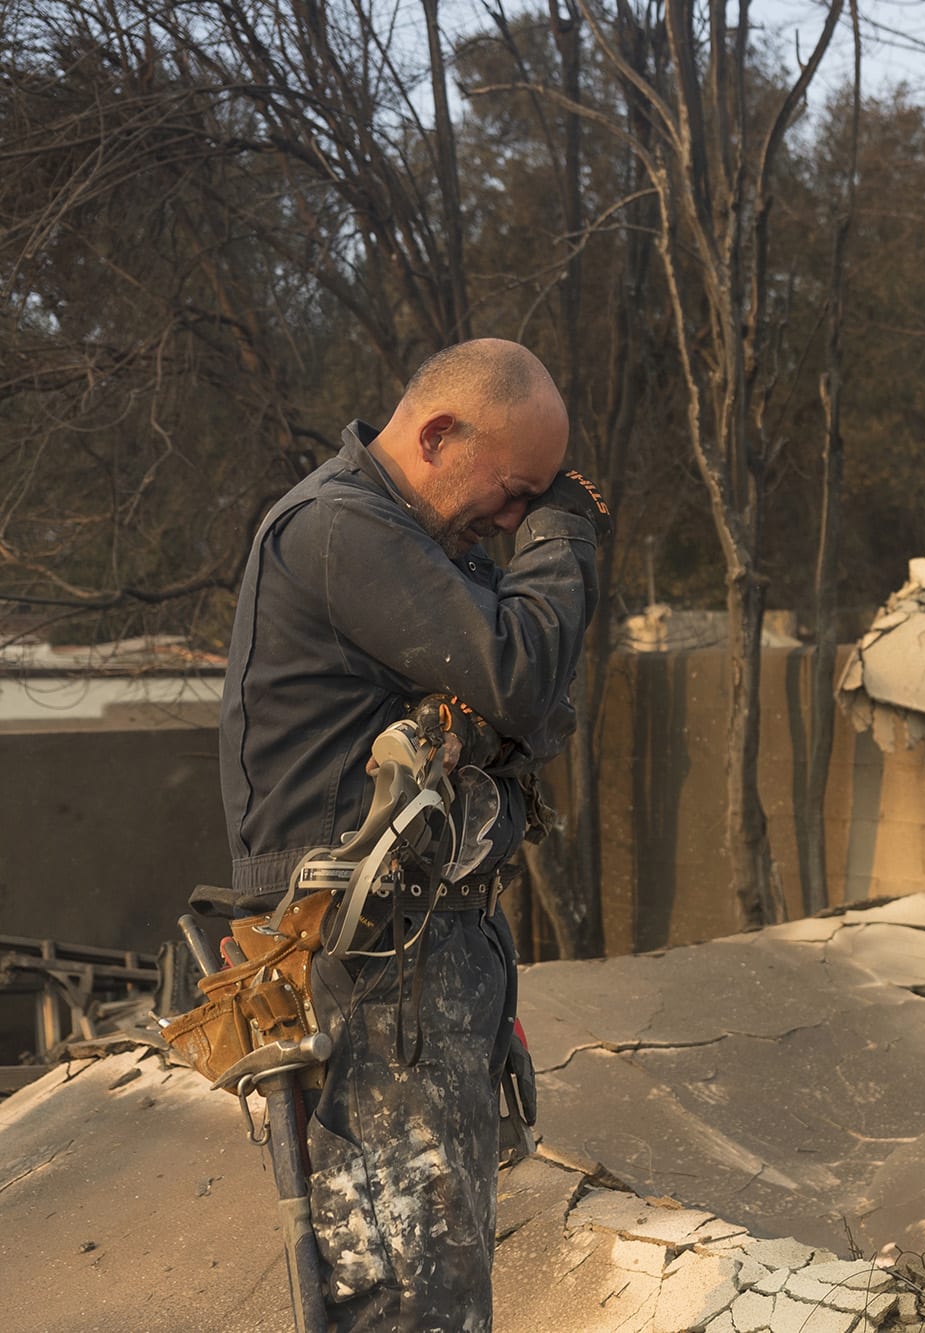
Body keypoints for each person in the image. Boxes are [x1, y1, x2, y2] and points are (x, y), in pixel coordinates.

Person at [217, 338, 608, 1330]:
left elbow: (541, 708)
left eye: (532, 505)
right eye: (515, 493)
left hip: (420, 956)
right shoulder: (343, 529)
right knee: (409, 1303)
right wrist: (562, 538)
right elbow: (521, 677)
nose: (514, 520)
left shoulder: (411, 539)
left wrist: (505, 704)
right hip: (375, 969)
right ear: (438, 435)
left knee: (433, 1292)